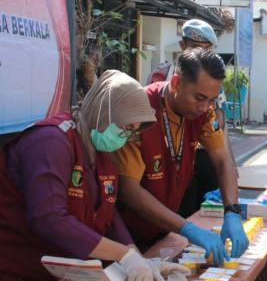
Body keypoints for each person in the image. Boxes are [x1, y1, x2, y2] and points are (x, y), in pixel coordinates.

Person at [0, 70, 188, 280]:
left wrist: (136, 257)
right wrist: (122, 254)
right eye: (126, 127)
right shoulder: (51, 142)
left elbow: (108, 214)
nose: (126, 137)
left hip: (61, 273)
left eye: (133, 131)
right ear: (102, 112)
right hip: (17, 269)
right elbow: (48, 218)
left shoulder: (101, 155)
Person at [113, 48, 248, 266]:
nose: (205, 107)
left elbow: (223, 160)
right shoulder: (140, 108)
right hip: (126, 238)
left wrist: (232, 210)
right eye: (199, 98)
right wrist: (187, 228)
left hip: (164, 231)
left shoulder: (203, 112)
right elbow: (129, 190)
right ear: (176, 83)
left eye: (212, 99)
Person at [147, 18, 231, 219]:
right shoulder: (161, 75)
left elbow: (219, 122)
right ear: (183, 45)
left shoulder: (212, 79)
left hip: (201, 152)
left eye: (206, 48)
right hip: (164, 154)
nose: (204, 106)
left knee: (207, 211)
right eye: (195, 47)